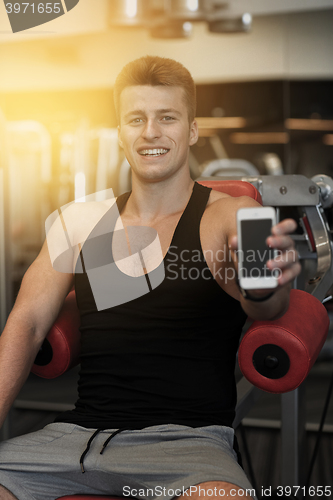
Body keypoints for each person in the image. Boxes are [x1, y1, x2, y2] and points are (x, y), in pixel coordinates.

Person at [0, 56, 300, 500]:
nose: (150, 132)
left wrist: (270, 286)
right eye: (135, 119)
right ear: (121, 132)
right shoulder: (78, 222)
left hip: (186, 446)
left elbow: (264, 304)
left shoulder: (230, 216)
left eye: (167, 117)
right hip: (72, 440)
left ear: (192, 130)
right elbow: (26, 325)